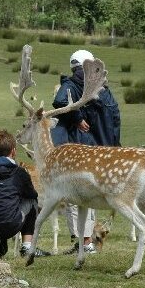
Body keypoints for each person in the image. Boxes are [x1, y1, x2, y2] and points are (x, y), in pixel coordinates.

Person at [51, 49, 121, 254]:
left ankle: (85, 242)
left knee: (78, 197)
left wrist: (77, 118)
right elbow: (115, 121)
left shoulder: (82, 86)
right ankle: (85, 241)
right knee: (83, 197)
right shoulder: (96, 88)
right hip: (95, 151)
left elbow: (60, 101)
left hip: (85, 151)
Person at [0, 130, 51, 260]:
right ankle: (27, 246)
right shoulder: (20, 173)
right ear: (13, 151)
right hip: (9, 223)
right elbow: (32, 194)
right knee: (32, 200)